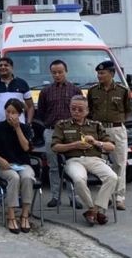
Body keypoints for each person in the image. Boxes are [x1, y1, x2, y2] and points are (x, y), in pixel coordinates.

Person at [52, 96, 117, 226]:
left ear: (87, 111)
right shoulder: (62, 125)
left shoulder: (96, 125)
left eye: (80, 109)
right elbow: (55, 147)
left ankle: (95, 210)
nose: (76, 112)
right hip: (73, 160)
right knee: (79, 179)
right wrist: (74, 145)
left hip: (94, 159)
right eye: (73, 109)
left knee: (112, 177)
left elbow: (111, 146)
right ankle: (93, 209)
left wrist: (96, 142)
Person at [37, 59, 84, 208]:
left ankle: (74, 197)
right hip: (51, 131)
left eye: (60, 72)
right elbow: (42, 112)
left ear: (66, 72)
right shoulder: (45, 91)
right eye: (54, 72)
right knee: (53, 166)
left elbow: (81, 110)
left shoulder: (75, 91)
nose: (57, 75)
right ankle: (55, 196)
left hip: (71, 132)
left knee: (72, 164)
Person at [87, 60, 132, 211]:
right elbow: (91, 110)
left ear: (111, 74)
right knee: (102, 164)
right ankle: (106, 197)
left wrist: (118, 123)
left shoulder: (122, 90)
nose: (99, 76)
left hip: (117, 129)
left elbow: (128, 110)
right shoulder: (93, 91)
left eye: (102, 73)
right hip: (99, 130)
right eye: (98, 73)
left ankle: (119, 198)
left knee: (119, 163)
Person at [0, 99, 36, 234]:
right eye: (8, 112)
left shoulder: (25, 128)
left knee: (27, 177)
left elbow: (26, 147)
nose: (10, 115)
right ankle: (11, 215)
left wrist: (17, 128)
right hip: (5, 165)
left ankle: (25, 214)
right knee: (14, 178)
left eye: (13, 112)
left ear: (19, 114)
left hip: (22, 163)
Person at [0, 57, 34, 138]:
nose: (3, 67)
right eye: (0, 65)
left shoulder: (22, 83)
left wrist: (28, 124)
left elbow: (30, 106)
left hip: (18, 127)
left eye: (6, 65)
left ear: (12, 67)